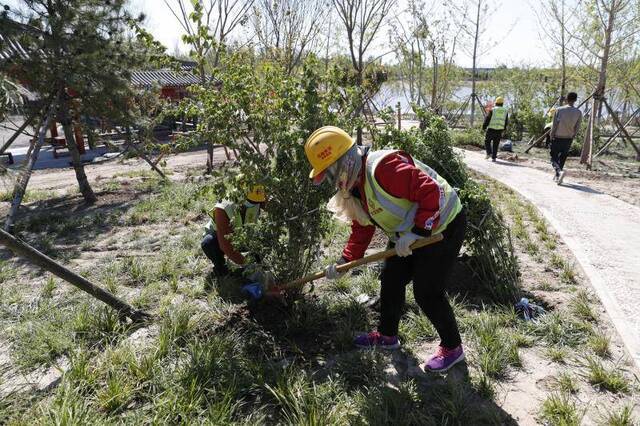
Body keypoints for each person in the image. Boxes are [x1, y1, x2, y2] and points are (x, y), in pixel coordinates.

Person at [305, 126, 467, 373]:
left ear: (343, 161)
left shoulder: (383, 169)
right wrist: (344, 261)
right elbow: (362, 226)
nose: (330, 179)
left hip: (443, 224)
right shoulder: (354, 183)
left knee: (427, 291)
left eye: (329, 172)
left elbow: (430, 191)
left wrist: (418, 233)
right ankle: (387, 336)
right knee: (391, 279)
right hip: (409, 233)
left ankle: (452, 348)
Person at [201, 186, 266, 277]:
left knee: (263, 237)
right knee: (208, 243)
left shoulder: (258, 197)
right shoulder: (224, 207)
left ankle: (259, 263)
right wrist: (247, 264)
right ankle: (221, 269)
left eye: (256, 202)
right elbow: (225, 245)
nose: (254, 204)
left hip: (244, 235)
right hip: (220, 237)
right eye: (251, 202)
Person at [550, 92, 582, 185]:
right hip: (568, 138)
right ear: (575, 100)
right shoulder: (578, 112)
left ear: (566, 99)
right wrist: (573, 135)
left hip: (558, 137)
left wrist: (552, 135)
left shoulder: (559, 110)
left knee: (553, 158)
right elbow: (577, 127)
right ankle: (558, 176)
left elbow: (554, 125)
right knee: (563, 157)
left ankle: (559, 172)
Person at [482, 96, 509, 162]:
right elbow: (506, 121)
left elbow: (487, 119)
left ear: (496, 103)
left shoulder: (492, 110)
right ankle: (494, 158)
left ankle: (489, 153)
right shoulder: (505, 111)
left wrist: (484, 127)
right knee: (496, 144)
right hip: (499, 130)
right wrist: (504, 129)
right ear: (502, 104)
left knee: (487, 141)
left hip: (491, 129)